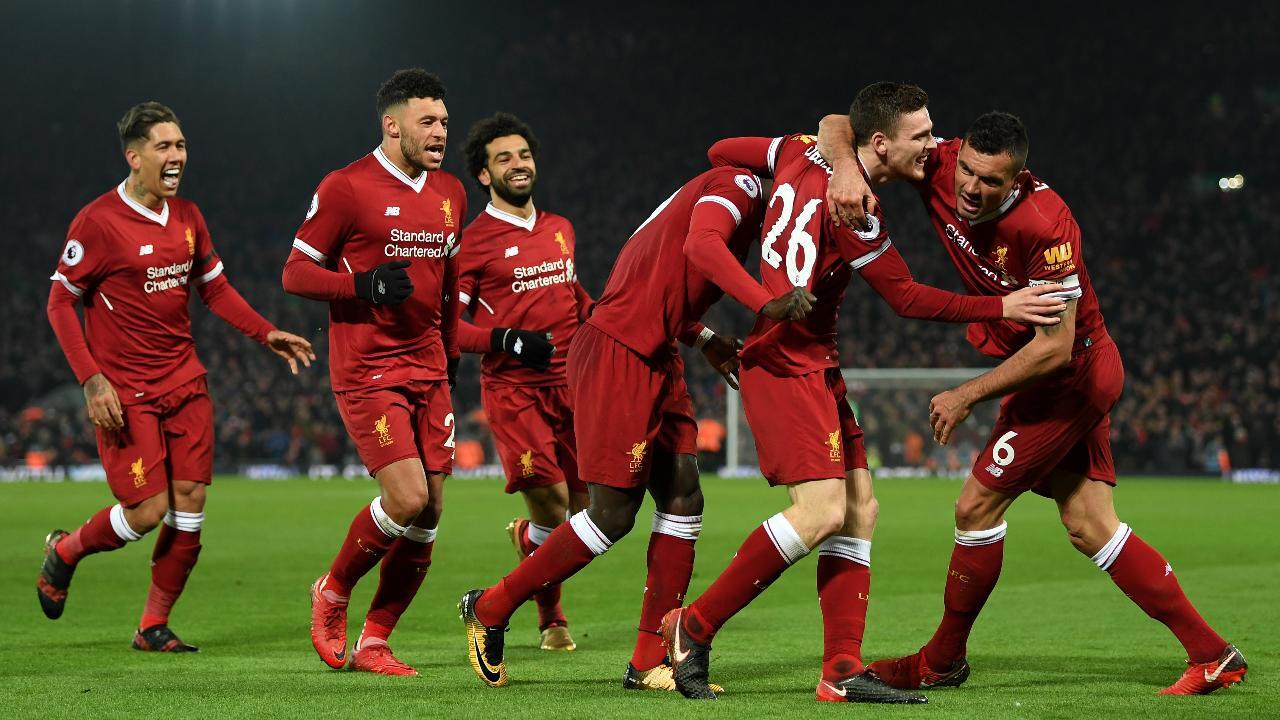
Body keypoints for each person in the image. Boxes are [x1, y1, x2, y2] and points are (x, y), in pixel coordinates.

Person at [816, 109, 1246, 696]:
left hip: (1069, 375)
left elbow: (1055, 348)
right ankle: (1213, 654)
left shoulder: (1046, 225)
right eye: (967, 170)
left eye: (990, 181)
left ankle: (941, 662)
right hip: (1052, 373)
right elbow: (841, 119)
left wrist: (967, 393)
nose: (970, 188)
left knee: (975, 510)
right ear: (957, 152)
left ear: (1017, 178)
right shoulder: (937, 161)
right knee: (1091, 525)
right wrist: (844, 167)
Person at [662, 82, 1067, 703]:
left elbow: (722, 149)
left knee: (860, 510)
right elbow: (906, 296)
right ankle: (693, 626)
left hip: (814, 365)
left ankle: (840, 671)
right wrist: (1002, 303)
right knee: (822, 512)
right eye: (922, 136)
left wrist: (823, 164)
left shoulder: (795, 150)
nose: (934, 147)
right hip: (783, 363)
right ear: (879, 142)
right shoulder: (857, 211)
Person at [460, 161, 808, 693]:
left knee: (684, 498)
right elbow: (700, 251)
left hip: (657, 353)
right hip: (619, 353)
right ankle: (490, 606)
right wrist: (764, 303)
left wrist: (705, 335)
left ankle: (648, 658)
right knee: (611, 515)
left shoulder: (745, 204)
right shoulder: (738, 186)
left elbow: (659, 285)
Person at [38, 101, 315, 653]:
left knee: (189, 509)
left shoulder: (188, 216)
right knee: (146, 512)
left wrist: (267, 333)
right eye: (164, 147)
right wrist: (92, 380)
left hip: (185, 382)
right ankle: (65, 552)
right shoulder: (96, 222)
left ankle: (152, 626)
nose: (176, 157)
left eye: (181, 146)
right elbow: (59, 303)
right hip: (126, 391)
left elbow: (213, 288)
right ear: (133, 156)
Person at [282, 68, 466, 676]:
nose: (441, 131)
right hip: (368, 367)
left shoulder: (450, 194)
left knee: (431, 509)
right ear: (392, 125)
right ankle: (331, 592)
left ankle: (375, 641)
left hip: (430, 365)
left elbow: (448, 285)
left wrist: (452, 356)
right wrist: (359, 284)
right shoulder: (346, 188)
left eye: (443, 120)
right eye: (428, 122)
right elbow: (296, 273)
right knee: (407, 496)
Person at [456, 112, 593, 651]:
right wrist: (506, 339)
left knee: (584, 519)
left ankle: (527, 540)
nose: (518, 165)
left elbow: (574, 295)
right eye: (504, 158)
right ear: (484, 175)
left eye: (524, 155)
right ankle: (550, 618)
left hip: (572, 388)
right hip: (514, 393)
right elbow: (449, 327)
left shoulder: (561, 228)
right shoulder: (473, 242)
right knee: (555, 505)